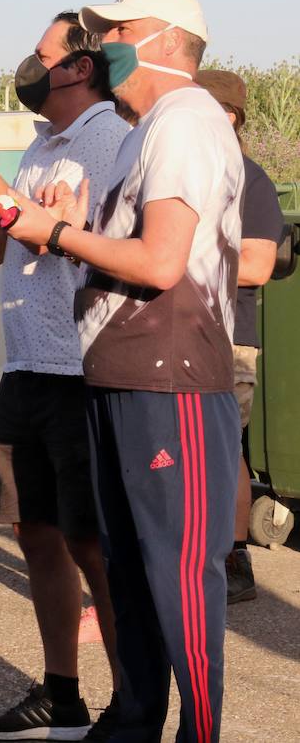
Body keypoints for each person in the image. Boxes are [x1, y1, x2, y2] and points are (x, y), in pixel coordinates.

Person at [8, 0, 242, 743]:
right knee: (130, 573)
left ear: (167, 40)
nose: (102, 42)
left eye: (118, 30)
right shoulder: (149, 128)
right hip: (117, 376)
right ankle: (134, 721)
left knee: (175, 580)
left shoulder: (186, 121)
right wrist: (73, 229)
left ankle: (195, 734)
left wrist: (59, 234)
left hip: (167, 379)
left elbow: (163, 262)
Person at [0, 13, 129, 740]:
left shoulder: (110, 140)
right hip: (26, 369)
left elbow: (85, 245)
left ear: (78, 67)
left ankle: (129, 703)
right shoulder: (44, 144)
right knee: (37, 536)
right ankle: (63, 695)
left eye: (40, 55)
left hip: (82, 371)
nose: (28, 67)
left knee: (92, 547)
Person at [195, 69, 284, 607]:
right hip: (174, 333)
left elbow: (255, 264)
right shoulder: (182, 171)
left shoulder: (248, 178)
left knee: (222, 448)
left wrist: (174, 255)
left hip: (227, 339)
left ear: (227, 117)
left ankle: (233, 556)